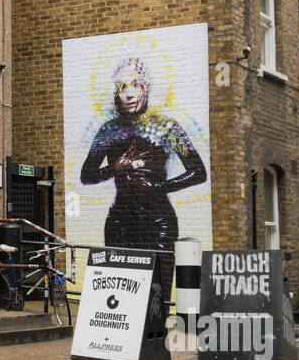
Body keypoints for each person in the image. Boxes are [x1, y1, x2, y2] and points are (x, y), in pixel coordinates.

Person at [79, 56, 207, 301]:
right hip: (119, 224)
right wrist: (114, 168)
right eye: (121, 87)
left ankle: (155, 339)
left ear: (146, 87)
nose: (128, 94)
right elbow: (87, 176)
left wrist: (160, 186)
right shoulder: (109, 130)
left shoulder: (167, 126)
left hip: (159, 223)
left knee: (155, 296)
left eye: (135, 85)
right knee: (119, 297)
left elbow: (198, 172)